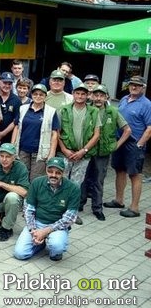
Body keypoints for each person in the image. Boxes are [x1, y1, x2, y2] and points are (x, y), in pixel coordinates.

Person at [14, 157, 79, 261]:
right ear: (46, 171)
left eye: (57, 172)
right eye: (50, 171)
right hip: (37, 223)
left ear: (63, 172)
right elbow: (28, 209)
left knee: (57, 247)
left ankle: (56, 251)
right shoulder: (37, 183)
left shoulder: (73, 188)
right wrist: (33, 230)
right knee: (20, 254)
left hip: (57, 226)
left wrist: (45, 231)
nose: (53, 175)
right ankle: (40, 244)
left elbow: (69, 218)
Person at [104, 76, 151, 218]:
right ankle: (119, 200)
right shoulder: (124, 99)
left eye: (137, 85)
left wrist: (139, 144)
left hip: (134, 143)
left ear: (143, 87)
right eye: (132, 84)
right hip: (120, 140)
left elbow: (149, 128)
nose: (134, 87)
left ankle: (134, 208)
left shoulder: (147, 104)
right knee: (119, 170)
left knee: (135, 174)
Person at [82, 85, 130, 221]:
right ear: (91, 96)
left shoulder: (113, 112)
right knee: (83, 179)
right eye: (96, 95)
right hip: (87, 149)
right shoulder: (86, 109)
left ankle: (97, 208)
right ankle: (80, 204)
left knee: (98, 180)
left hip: (102, 152)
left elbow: (127, 130)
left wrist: (116, 145)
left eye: (101, 95)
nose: (98, 98)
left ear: (106, 97)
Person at [57, 83, 101, 225]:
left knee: (76, 184)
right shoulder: (63, 110)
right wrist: (63, 149)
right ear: (73, 94)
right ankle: (58, 210)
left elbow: (96, 134)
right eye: (78, 93)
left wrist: (84, 150)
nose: (80, 96)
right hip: (66, 152)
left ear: (88, 95)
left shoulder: (94, 111)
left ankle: (72, 213)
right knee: (61, 181)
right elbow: (57, 132)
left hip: (83, 154)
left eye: (83, 94)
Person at [12, 84, 59, 181]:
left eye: (41, 94)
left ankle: (33, 196)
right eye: (35, 94)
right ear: (31, 95)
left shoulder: (51, 111)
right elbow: (16, 127)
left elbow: (54, 134)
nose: (38, 96)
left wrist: (52, 153)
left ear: (45, 96)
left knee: (36, 180)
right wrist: (12, 145)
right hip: (23, 151)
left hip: (40, 153)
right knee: (22, 178)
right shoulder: (23, 108)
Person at [0, 72, 21, 160]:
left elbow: (16, 120)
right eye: (5, 83)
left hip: (8, 138)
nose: (7, 85)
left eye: (10, 83)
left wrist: (2, 134)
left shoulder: (16, 100)